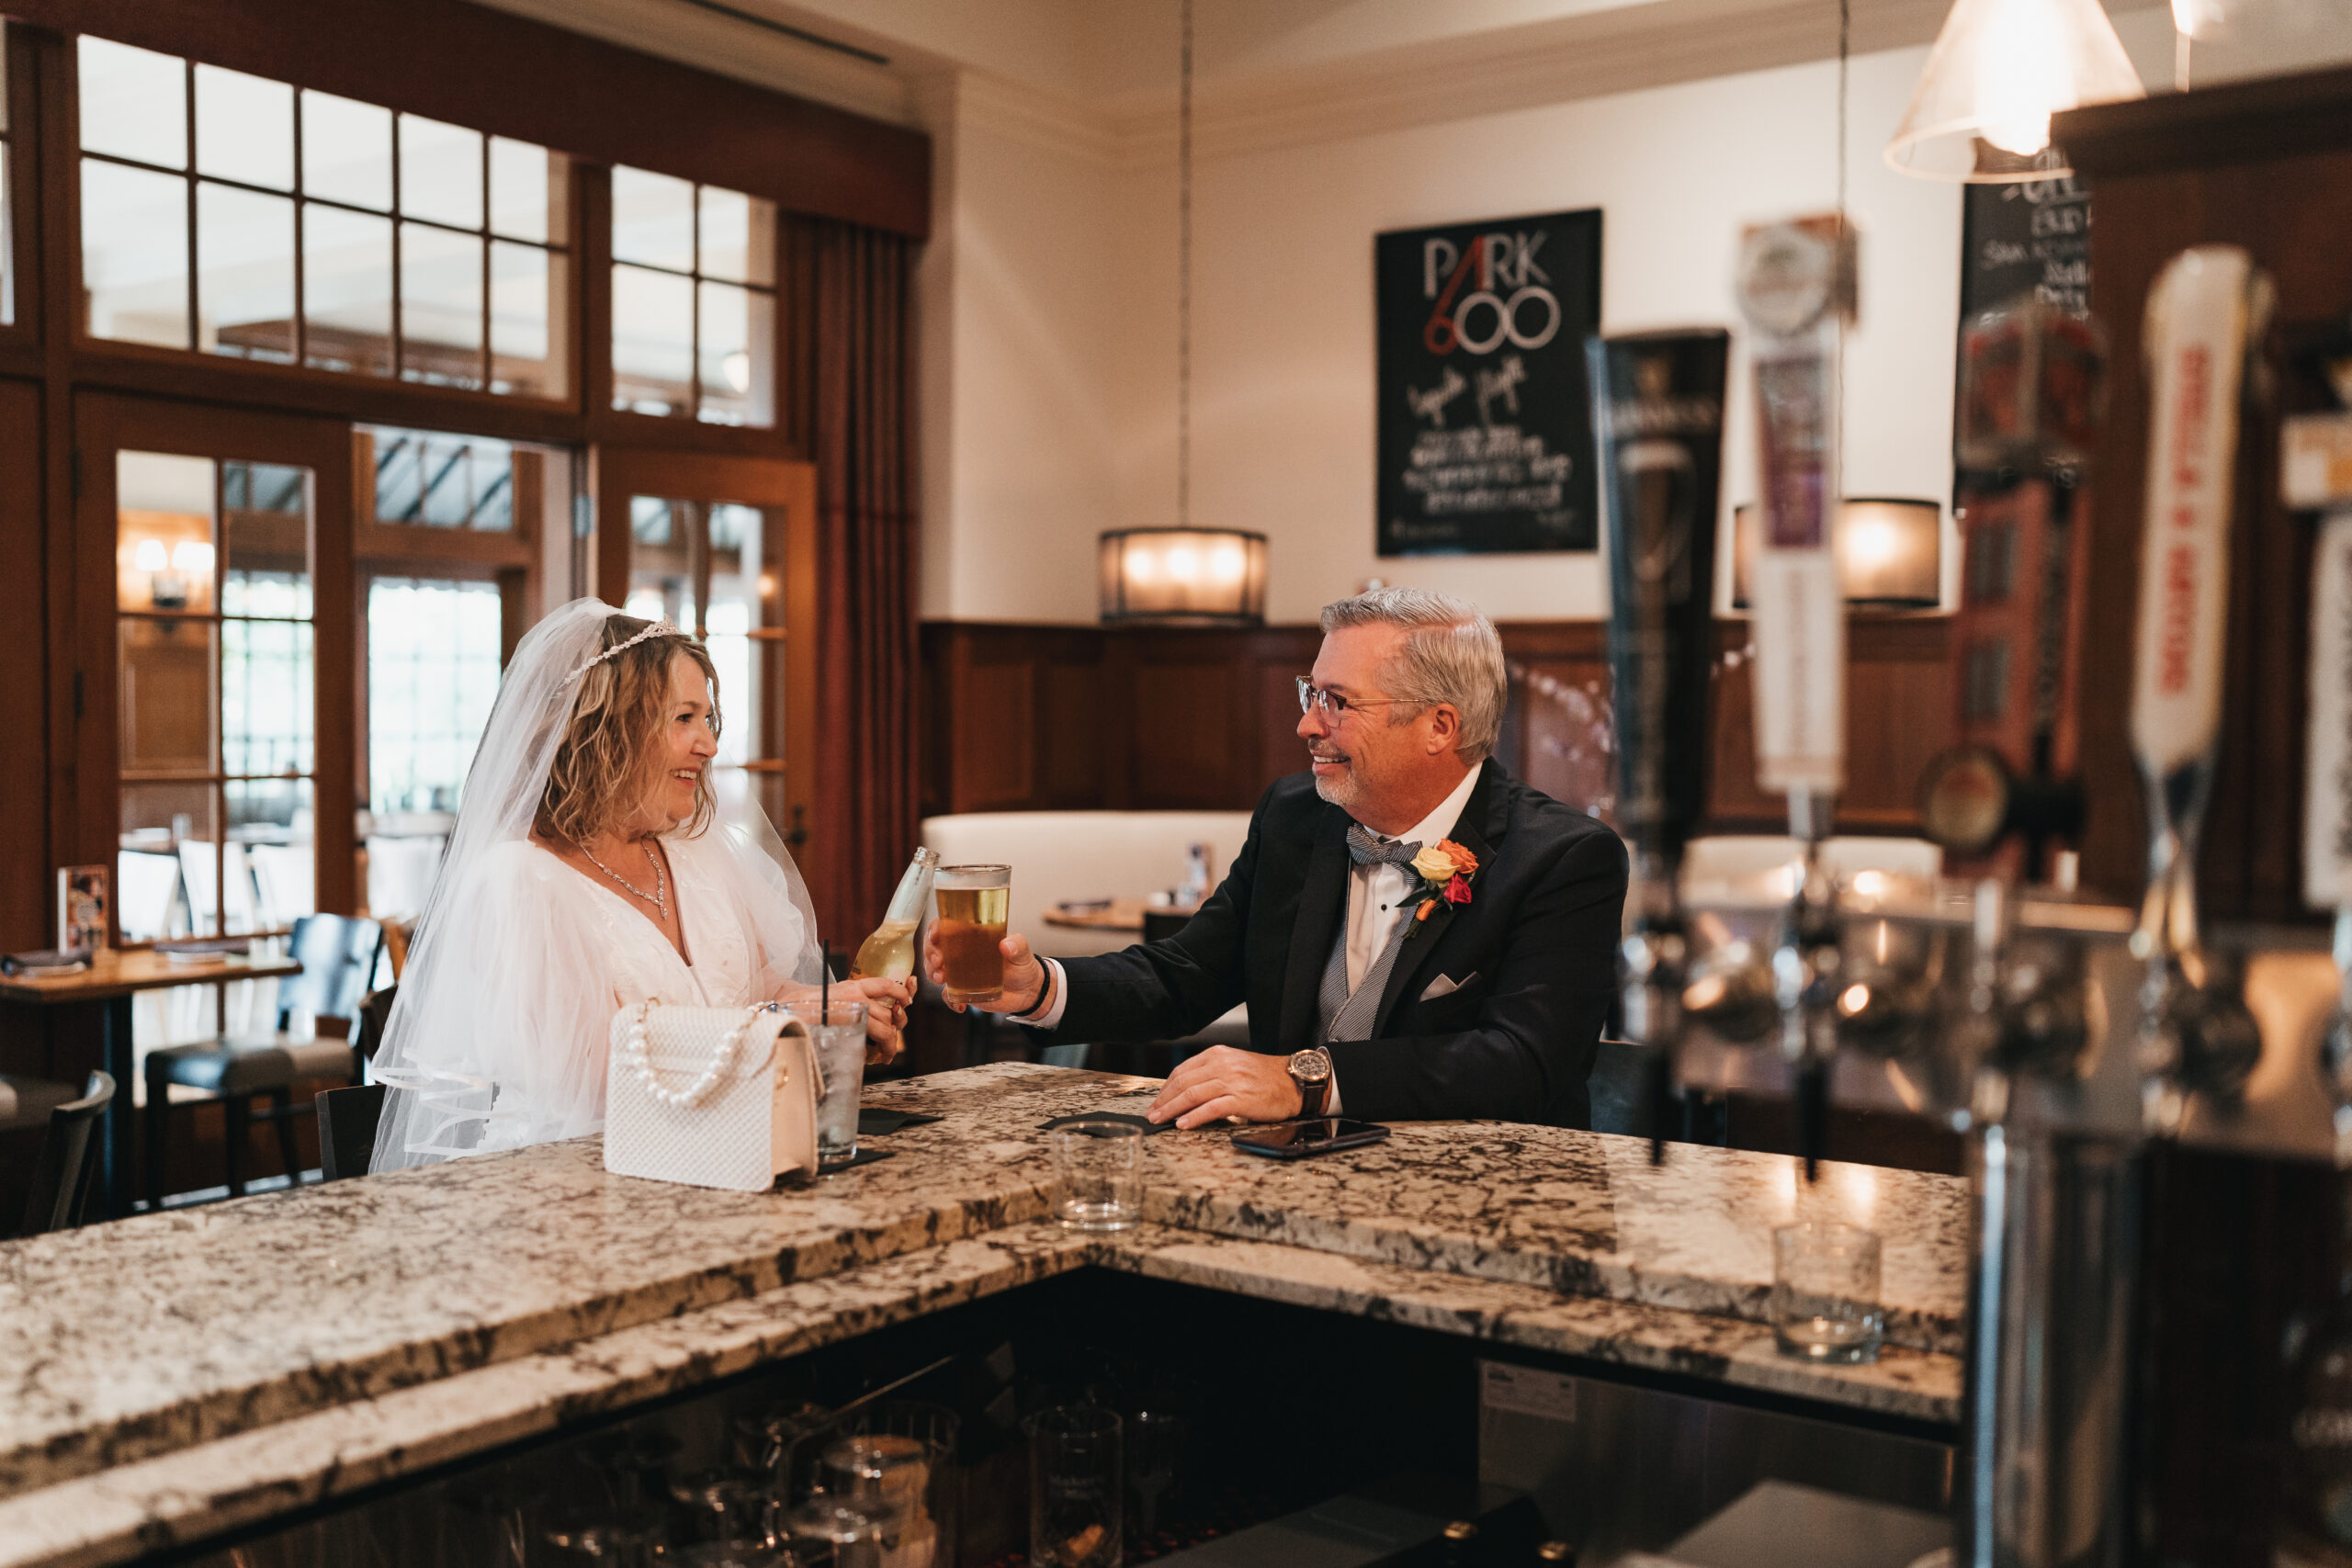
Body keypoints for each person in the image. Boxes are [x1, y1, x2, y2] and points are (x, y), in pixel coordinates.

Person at [926, 587, 1628, 1130]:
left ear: (1438, 726)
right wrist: (1041, 987)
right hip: (1284, 1175)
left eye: (1336, 701)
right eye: (1309, 692)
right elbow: (1189, 974)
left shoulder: (1566, 858)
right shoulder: (1296, 818)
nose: (1305, 723)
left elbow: (1522, 1060)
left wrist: (1305, 1080)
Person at [370, 601, 913, 1170]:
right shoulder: (518, 881)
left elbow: (748, 984)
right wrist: (784, 1029)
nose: (708, 744)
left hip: (723, 1157)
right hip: (572, 1181)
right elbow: (593, 1073)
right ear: (608, 728)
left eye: (708, 719)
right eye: (683, 719)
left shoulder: (694, 852)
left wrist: (834, 1007)